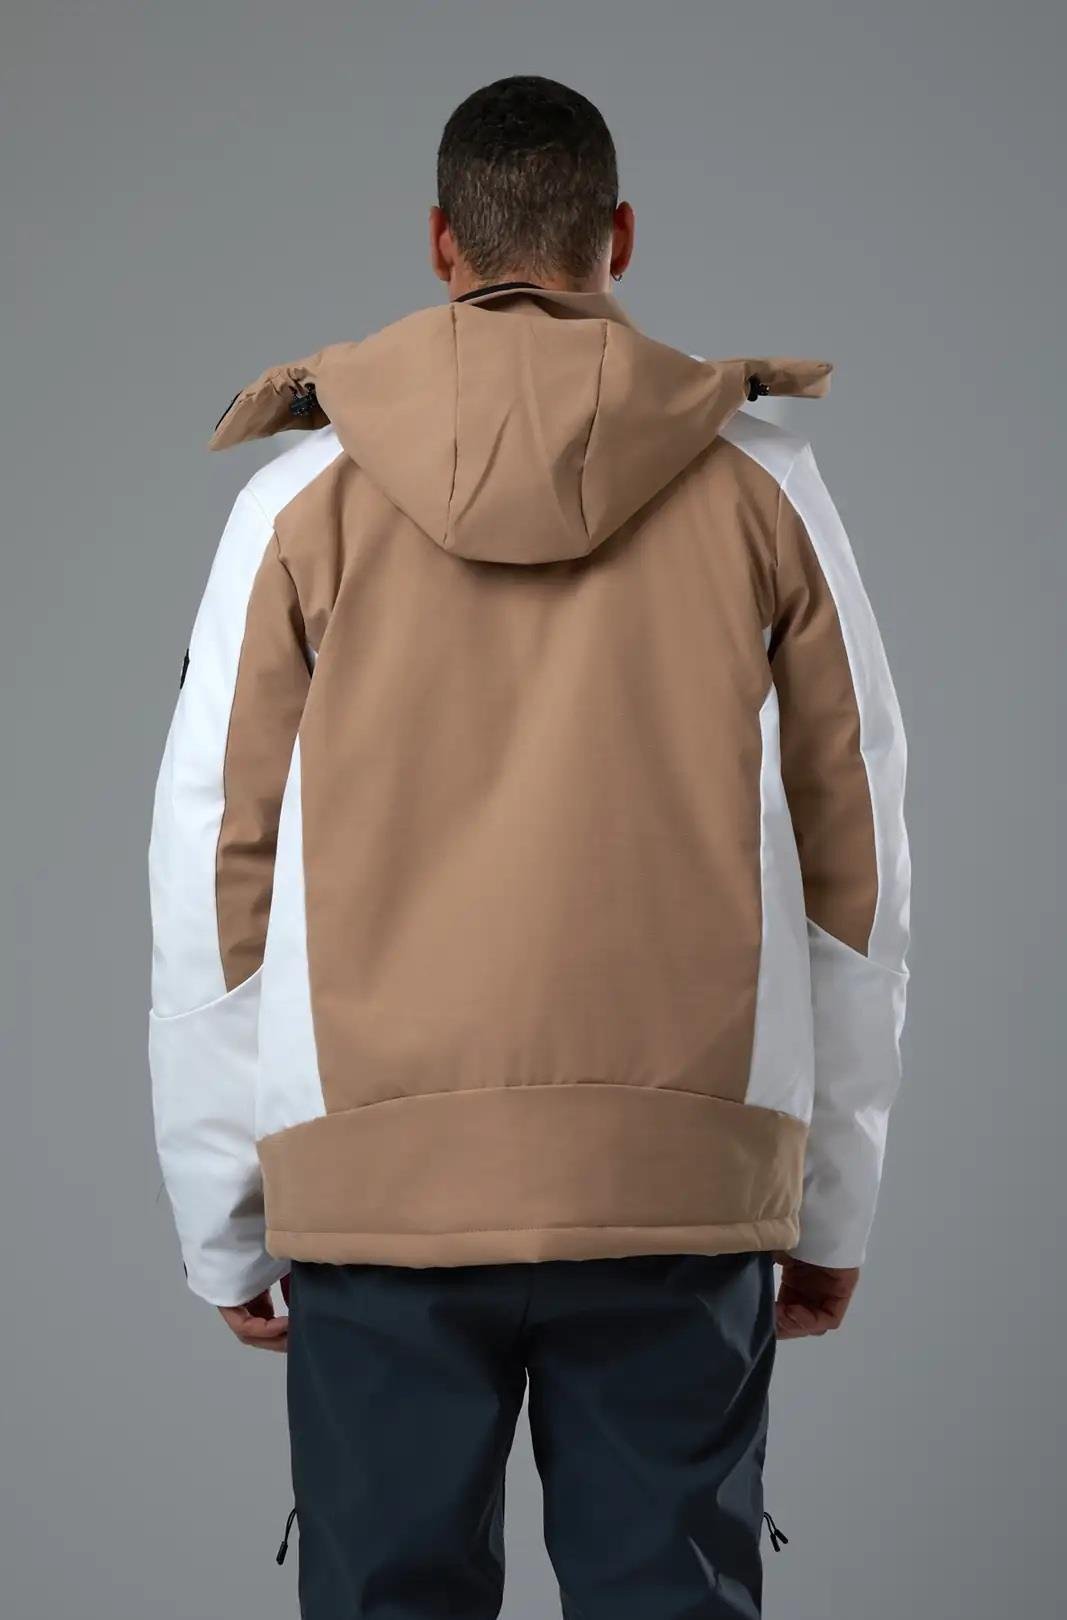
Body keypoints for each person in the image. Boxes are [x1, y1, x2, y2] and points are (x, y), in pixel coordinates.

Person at [148, 74, 910, 1620]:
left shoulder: (297, 502)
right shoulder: (768, 487)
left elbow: (214, 865)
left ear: (443, 245)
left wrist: (226, 1217)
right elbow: (858, 867)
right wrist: (829, 1200)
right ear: (615, 237)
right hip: (680, 1178)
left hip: (377, 1188)